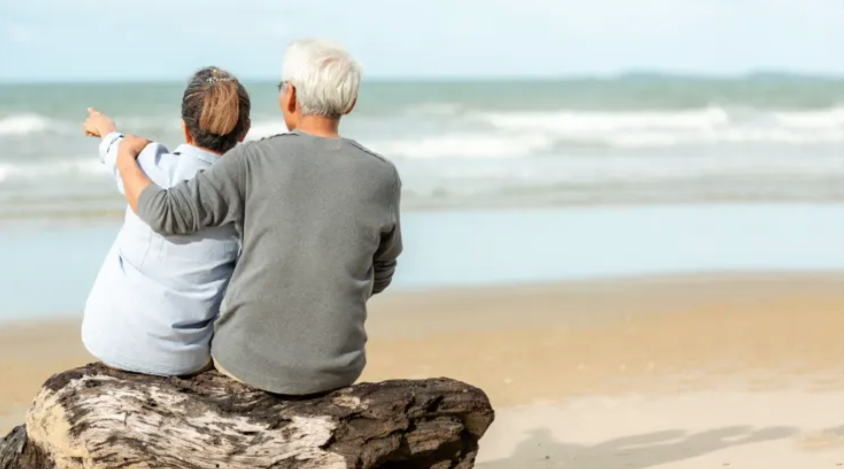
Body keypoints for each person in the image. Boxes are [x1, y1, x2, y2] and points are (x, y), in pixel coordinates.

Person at [114, 39, 402, 395]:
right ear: (350, 102)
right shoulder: (382, 175)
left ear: (291, 96)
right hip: (338, 369)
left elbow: (167, 213)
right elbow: (382, 270)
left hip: (245, 363)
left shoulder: (254, 160)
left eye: (282, 87)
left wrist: (124, 156)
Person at [81, 67, 251, 376]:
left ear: (185, 129)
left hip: (106, 338)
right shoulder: (246, 196)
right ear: (245, 131)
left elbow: (116, 150)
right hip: (181, 359)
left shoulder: (144, 163)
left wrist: (105, 130)